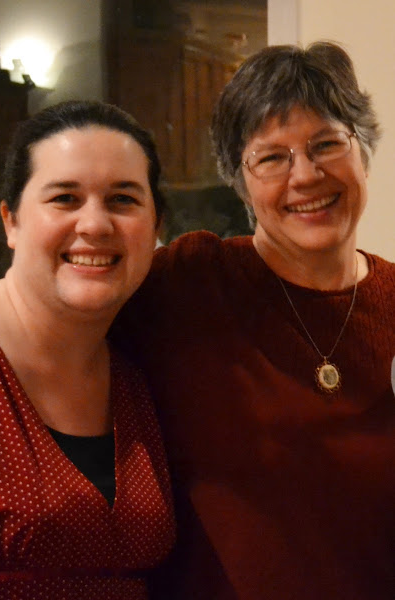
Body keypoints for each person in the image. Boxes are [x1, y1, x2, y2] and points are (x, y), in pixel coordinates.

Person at [116, 42, 395, 599]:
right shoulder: (188, 284)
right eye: (272, 158)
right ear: (240, 182)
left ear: (363, 152)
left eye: (327, 144)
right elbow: (48, 321)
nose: (306, 175)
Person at [0, 100, 175, 599]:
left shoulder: (140, 373)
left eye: (123, 199)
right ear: (11, 220)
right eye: (65, 198)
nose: (95, 225)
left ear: (156, 226)